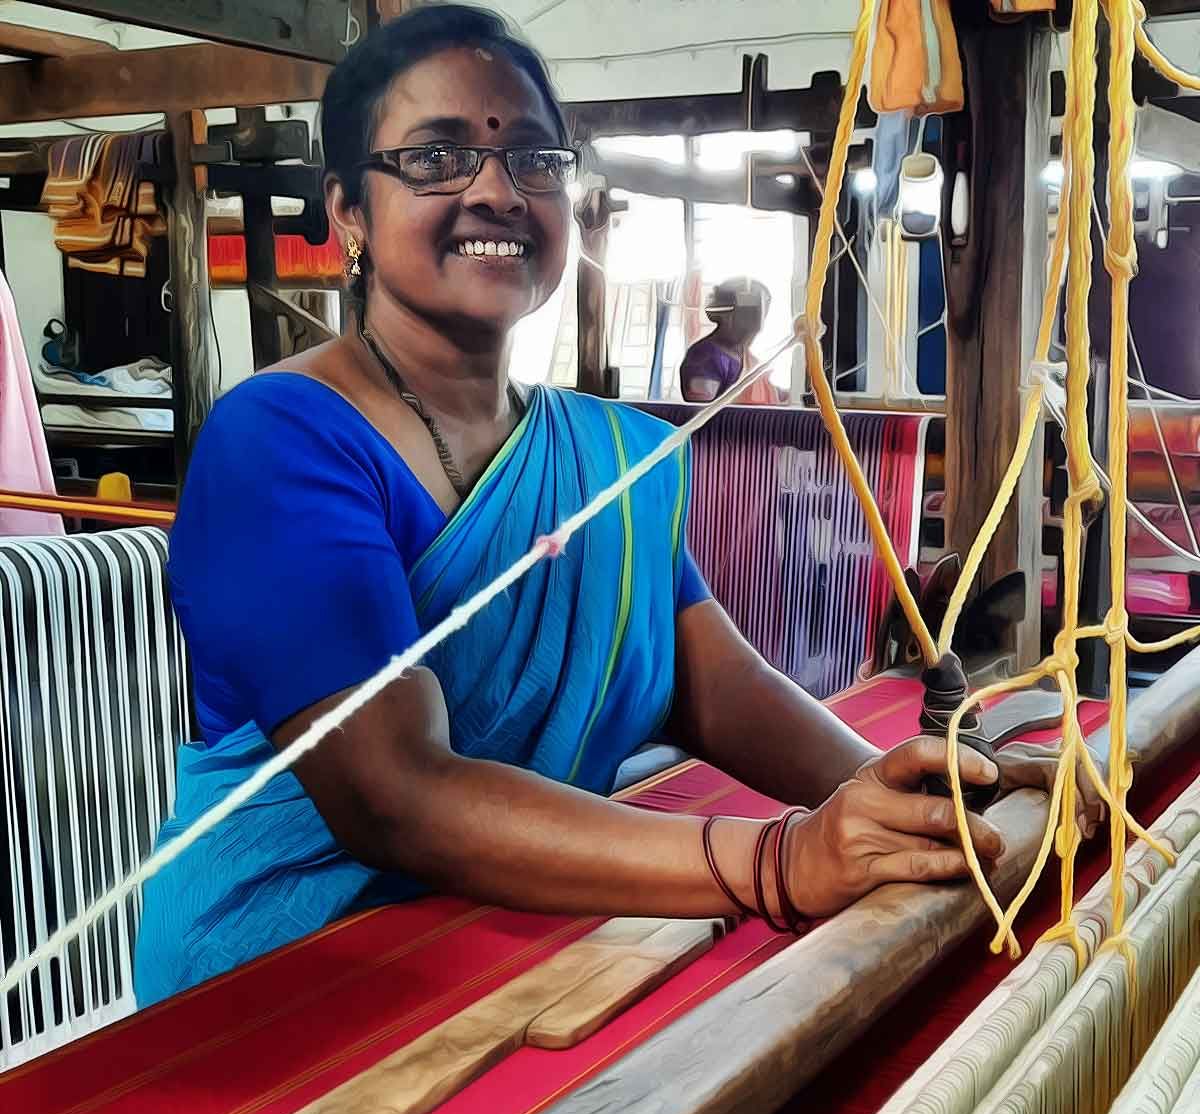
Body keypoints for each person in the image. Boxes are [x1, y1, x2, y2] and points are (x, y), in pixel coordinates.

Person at [133, 4, 1077, 1007]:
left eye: (535, 158)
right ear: (348, 212)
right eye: (437, 158)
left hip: (503, 937)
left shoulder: (607, 453)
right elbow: (392, 794)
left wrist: (917, 792)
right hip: (282, 985)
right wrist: (778, 863)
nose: (496, 189)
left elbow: (712, 686)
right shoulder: (281, 442)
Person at [679, 278, 778, 405]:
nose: (757, 319)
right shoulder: (704, 358)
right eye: (749, 312)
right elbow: (701, 414)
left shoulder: (745, 356)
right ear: (727, 314)